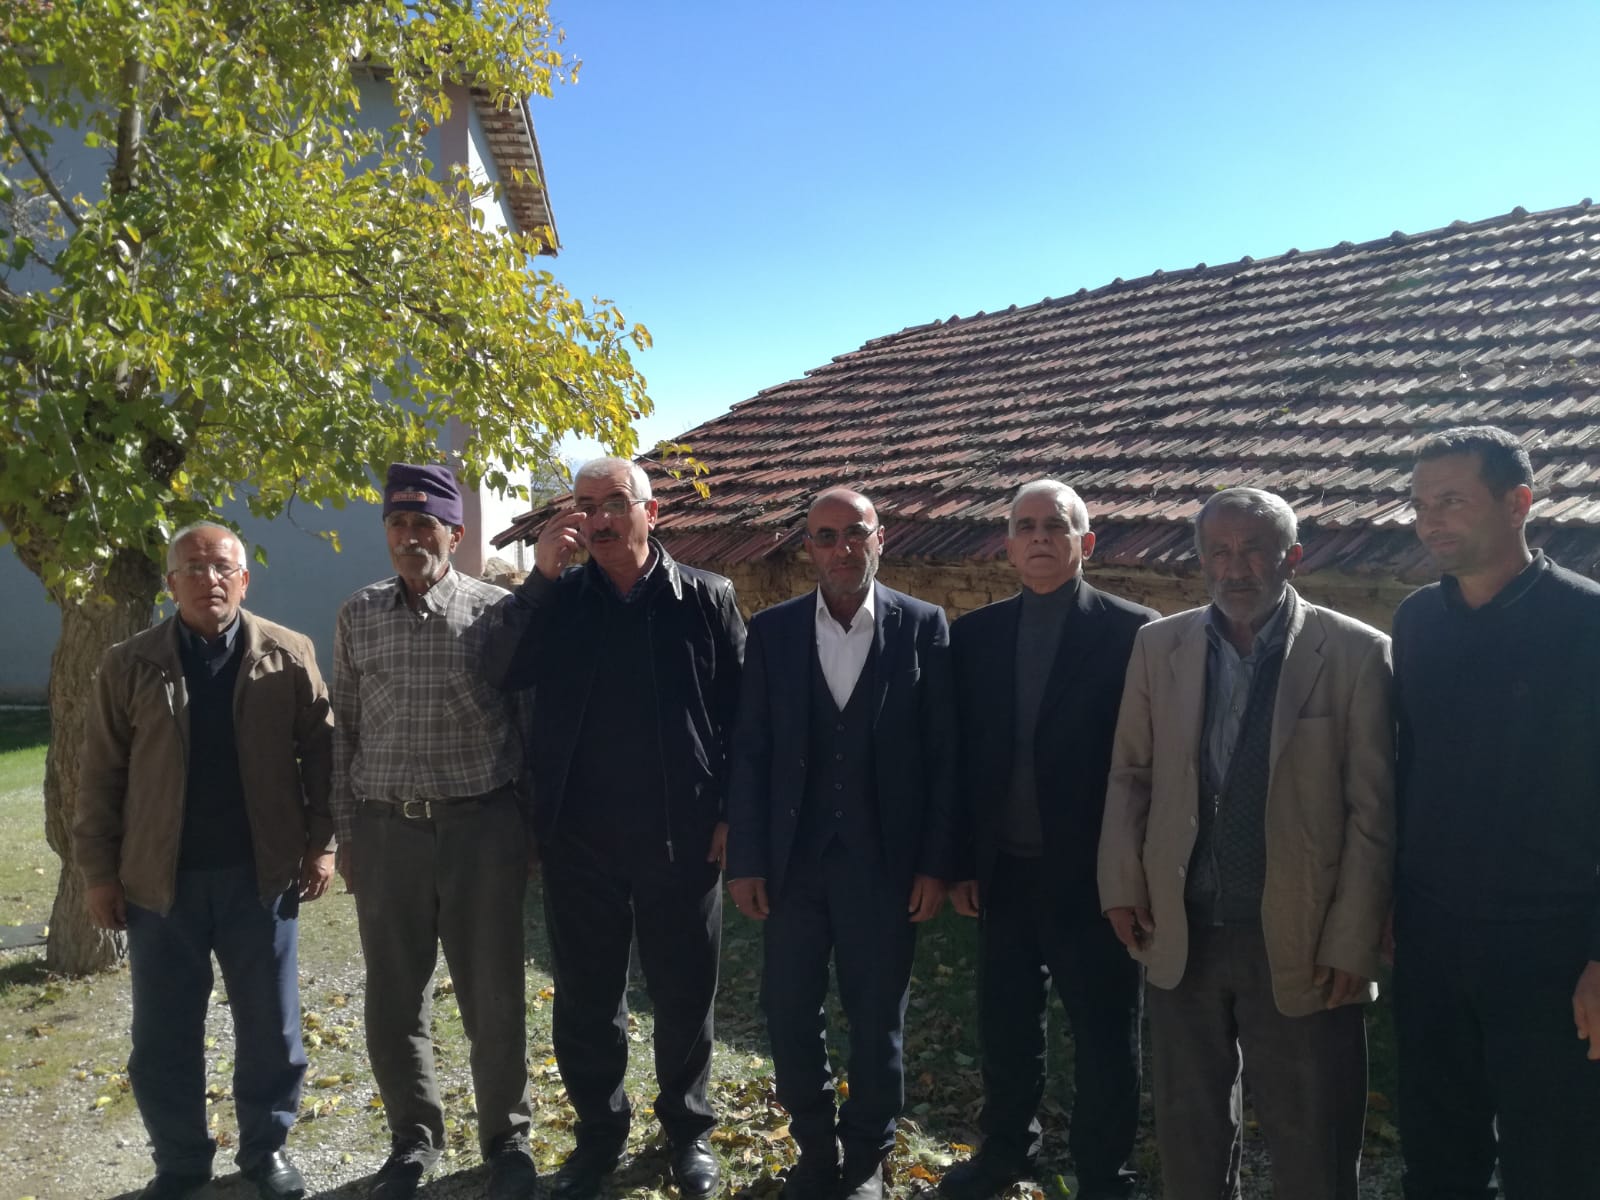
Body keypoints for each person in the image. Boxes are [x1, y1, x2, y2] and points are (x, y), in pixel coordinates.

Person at [1098, 486, 1394, 1200]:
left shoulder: (1354, 652)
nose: (1235, 568)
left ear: (1292, 557)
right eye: (1219, 551)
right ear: (1200, 559)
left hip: (1303, 935)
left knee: (1314, 1139)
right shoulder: (1159, 646)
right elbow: (1131, 773)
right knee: (1190, 1134)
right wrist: (1122, 885)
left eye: (1254, 550)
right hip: (1183, 928)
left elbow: (1373, 812)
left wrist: (1353, 939)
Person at [484, 456, 745, 1200]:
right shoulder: (559, 599)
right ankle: (598, 1136)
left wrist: (731, 811)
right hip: (580, 836)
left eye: (614, 503)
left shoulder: (706, 597)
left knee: (684, 991)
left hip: (681, 833)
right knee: (587, 998)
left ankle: (687, 1134)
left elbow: (744, 711)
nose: (598, 518)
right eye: (585, 504)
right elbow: (501, 668)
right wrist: (539, 578)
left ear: (650, 513)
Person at [76, 522, 333, 1200]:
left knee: (271, 1029)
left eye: (222, 567)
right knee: (163, 1034)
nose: (208, 579)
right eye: (192, 568)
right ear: (171, 584)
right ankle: (181, 1162)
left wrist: (322, 843)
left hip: (262, 877)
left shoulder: (288, 653)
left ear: (244, 580)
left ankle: (266, 1151)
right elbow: (99, 774)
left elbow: (323, 754)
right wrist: (98, 873)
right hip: (160, 883)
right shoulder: (129, 663)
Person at [726, 486, 958, 1200]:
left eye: (855, 532)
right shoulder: (773, 631)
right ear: (808, 549)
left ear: (880, 538)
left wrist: (935, 864)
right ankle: (815, 1148)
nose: (841, 548)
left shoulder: (924, 626)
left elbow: (944, 757)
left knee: (877, 1017)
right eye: (825, 537)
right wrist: (748, 859)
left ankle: (865, 1157)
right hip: (793, 865)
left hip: (884, 866)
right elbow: (751, 751)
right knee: (789, 1012)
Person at [1392, 426, 1600, 1197]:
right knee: (1437, 1153)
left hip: (1550, 947)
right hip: (1432, 939)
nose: (1430, 522)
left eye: (1451, 501)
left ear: (1519, 503)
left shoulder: (1586, 624)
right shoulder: (1416, 622)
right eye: (1421, 506)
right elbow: (1406, 770)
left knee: (1555, 1161)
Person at [941, 480, 1155, 1200]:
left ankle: (1104, 1174)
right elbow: (961, 759)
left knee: (1104, 1035)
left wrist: (1135, 875)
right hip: (1004, 872)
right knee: (1007, 1028)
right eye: (1025, 526)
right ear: (1006, 546)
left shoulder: (1133, 632)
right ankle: (1007, 1152)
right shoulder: (975, 636)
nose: (1039, 537)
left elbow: (1148, 763)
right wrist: (962, 862)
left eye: (1055, 526)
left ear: (1085, 542)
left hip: (1095, 877)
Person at [332, 463, 536, 1200]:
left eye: (426, 524)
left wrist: (529, 836)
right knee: (394, 999)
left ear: (455, 532)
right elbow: (344, 731)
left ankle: (507, 1139)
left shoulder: (496, 612)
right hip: (388, 834)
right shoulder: (358, 613)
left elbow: (528, 728)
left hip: (481, 830)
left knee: (494, 996)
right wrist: (346, 833)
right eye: (398, 523)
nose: (411, 537)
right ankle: (413, 1139)